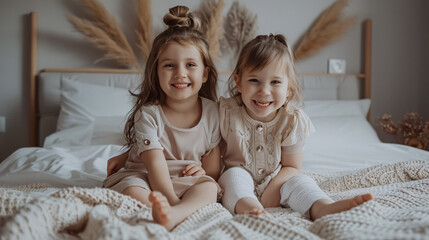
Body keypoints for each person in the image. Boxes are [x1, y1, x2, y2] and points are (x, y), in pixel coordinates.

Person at [218, 34, 373, 219]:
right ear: (238, 82)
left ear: (288, 88)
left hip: (277, 180)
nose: (264, 91)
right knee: (233, 176)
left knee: (301, 181)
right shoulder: (226, 112)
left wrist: (273, 189)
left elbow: (292, 166)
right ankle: (249, 206)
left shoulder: (291, 120)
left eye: (275, 82)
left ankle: (323, 206)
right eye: (254, 80)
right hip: (239, 178)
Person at [103, 5, 222, 231]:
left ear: (204, 73)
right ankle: (174, 211)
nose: (180, 73)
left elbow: (213, 167)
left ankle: (172, 215)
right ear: (156, 72)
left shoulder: (214, 112)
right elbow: (156, 164)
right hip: (146, 176)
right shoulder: (149, 114)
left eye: (190, 65)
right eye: (169, 65)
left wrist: (204, 172)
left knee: (209, 188)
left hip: (184, 179)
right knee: (132, 190)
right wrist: (172, 200)